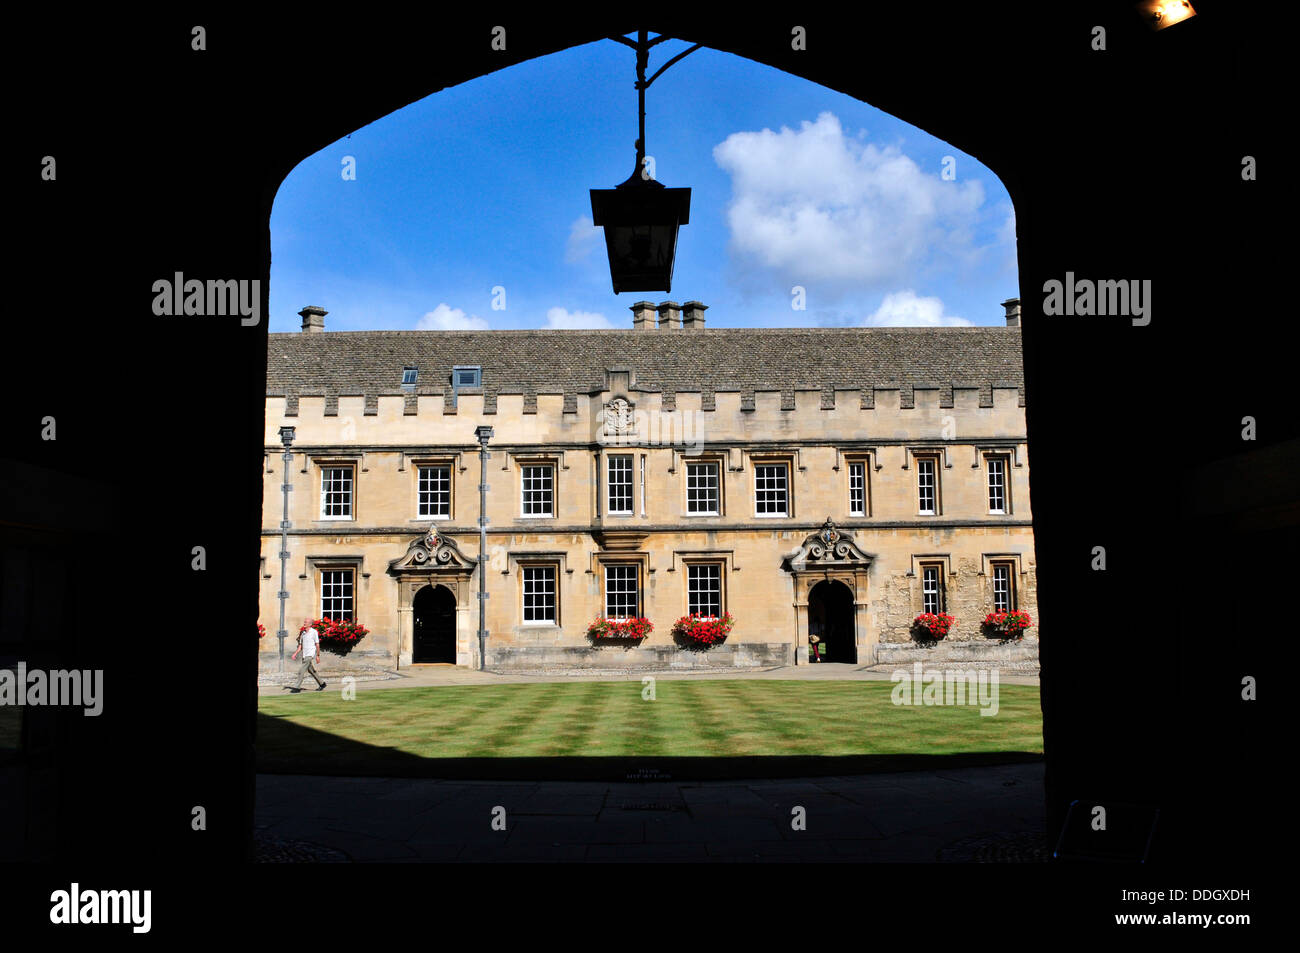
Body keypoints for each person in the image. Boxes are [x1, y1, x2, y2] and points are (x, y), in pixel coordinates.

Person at [287, 623, 327, 693]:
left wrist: (318, 655)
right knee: (311, 670)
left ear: (310, 624)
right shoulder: (303, 633)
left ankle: (297, 687)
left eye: (306, 622)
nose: (304, 623)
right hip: (304, 655)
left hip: (310, 655)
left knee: (301, 671)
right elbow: (300, 645)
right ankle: (322, 683)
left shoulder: (314, 632)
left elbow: (317, 644)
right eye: (304, 622)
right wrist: (295, 654)